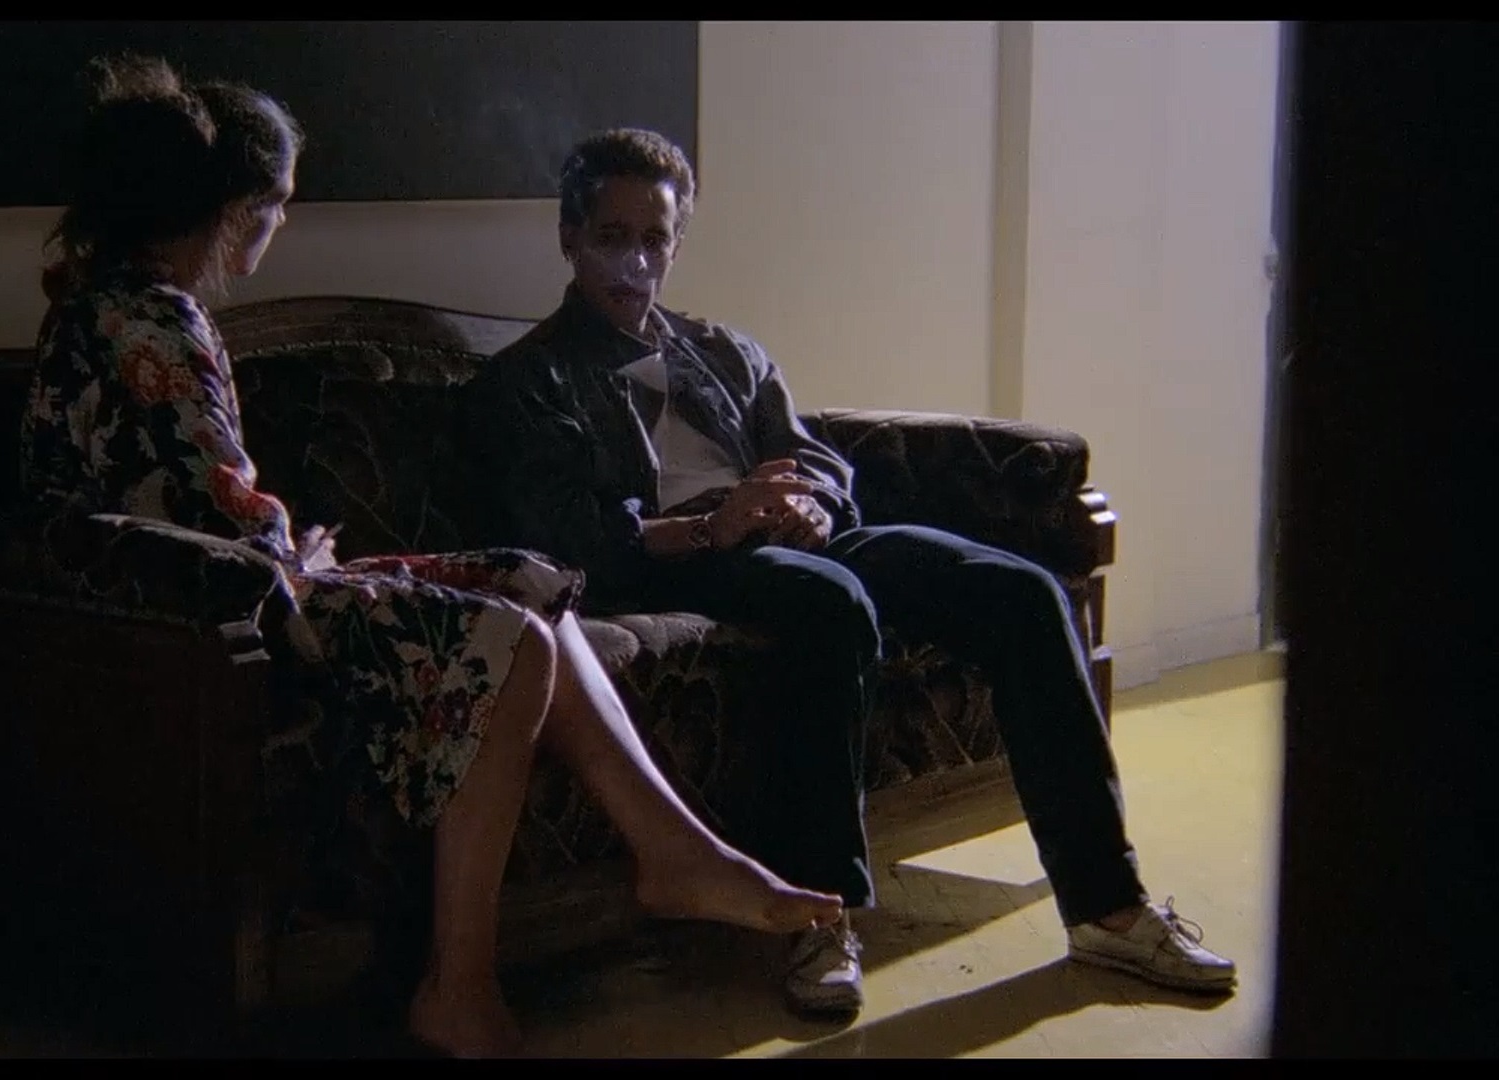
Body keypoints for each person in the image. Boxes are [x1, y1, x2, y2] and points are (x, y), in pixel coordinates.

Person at [17, 60, 843, 1059]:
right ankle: (462, 985)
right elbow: (215, 515)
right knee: (512, 642)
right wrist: (291, 546)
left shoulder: (111, 303)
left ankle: (674, 852)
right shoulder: (156, 321)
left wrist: (283, 543)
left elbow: (191, 491)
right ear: (234, 211)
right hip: (218, 614)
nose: (280, 226)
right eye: (278, 206)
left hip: (236, 586)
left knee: (528, 579)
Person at [462, 128, 1239, 1019]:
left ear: (678, 243)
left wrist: (816, 505)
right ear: (570, 237)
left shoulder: (724, 351)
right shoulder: (530, 380)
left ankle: (1108, 907)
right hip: (674, 562)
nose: (636, 261)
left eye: (655, 239)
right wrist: (717, 524)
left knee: (1023, 591)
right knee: (831, 601)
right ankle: (818, 914)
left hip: (796, 539)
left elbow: (813, 456)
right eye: (612, 237)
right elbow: (572, 542)